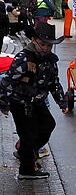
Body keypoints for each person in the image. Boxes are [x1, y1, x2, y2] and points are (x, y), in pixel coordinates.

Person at [0, 23, 68, 179]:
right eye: (43, 44)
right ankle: (26, 170)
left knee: (48, 125)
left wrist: (62, 102)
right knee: (28, 135)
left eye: (49, 46)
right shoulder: (23, 58)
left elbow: (54, 83)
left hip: (38, 101)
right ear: (34, 41)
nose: (46, 48)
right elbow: (8, 82)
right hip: (20, 103)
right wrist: (4, 104)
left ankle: (25, 150)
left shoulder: (50, 60)